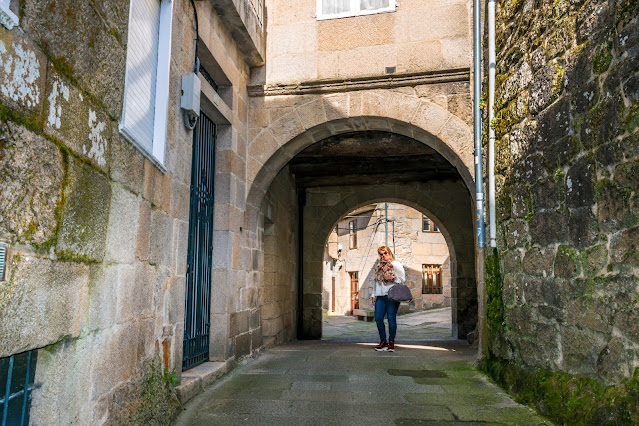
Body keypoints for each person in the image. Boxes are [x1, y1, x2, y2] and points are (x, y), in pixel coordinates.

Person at [371, 245, 405, 352]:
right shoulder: (378, 266)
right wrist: (373, 295)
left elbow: (402, 279)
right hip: (380, 296)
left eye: (385, 253)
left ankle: (391, 342)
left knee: (391, 319)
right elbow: (376, 282)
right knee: (378, 318)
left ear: (389, 253)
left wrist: (393, 278)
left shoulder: (396, 264)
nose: (383, 256)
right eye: (381, 254)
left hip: (392, 296)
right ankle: (383, 341)